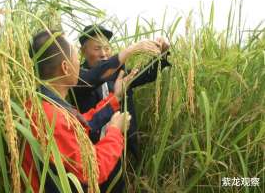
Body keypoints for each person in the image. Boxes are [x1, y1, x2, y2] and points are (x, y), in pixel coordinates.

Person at [22, 29, 135, 193]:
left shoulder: (42, 104)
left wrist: (115, 98)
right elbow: (93, 170)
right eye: (76, 58)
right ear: (65, 67)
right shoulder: (50, 117)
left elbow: (80, 124)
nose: (80, 65)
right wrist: (115, 132)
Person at [71, 24, 171, 192]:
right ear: (83, 52)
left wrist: (162, 53)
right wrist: (130, 50)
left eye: (107, 48)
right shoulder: (78, 77)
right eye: (97, 48)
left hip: (119, 149)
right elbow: (93, 78)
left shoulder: (119, 74)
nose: (103, 54)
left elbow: (147, 73)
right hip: (91, 153)